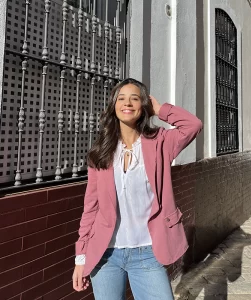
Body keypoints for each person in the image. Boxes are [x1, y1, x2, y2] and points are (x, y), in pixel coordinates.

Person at [72, 78, 203, 299]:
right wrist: (81, 257)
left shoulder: (160, 142)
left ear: (143, 106)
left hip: (147, 253)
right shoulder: (100, 152)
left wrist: (160, 110)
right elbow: (90, 208)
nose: (128, 103)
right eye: (121, 98)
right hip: (106, 254)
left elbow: (193, 125)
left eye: (135, 98)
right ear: (113, 106)